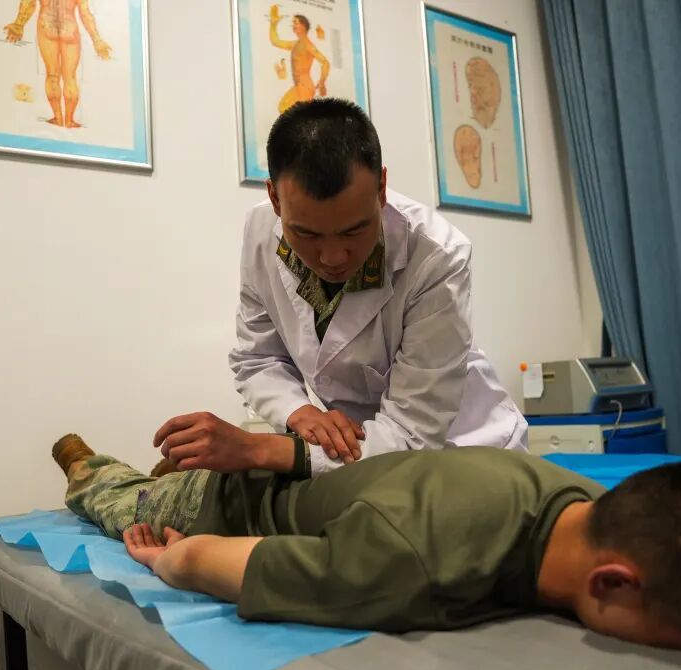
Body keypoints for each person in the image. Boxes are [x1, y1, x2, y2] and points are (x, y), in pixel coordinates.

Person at [52, 428, 681, 661]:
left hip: (348, 481)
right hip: (233, 499)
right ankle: (91, 463)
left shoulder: (594, 501)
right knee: (118, 500)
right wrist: (164, 556)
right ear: (614, 584)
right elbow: (204, 559)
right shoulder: (414, 564)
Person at [205, 98, 527, 477]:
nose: (332, 257)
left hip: (463, 448)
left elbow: (413, 432)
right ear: (275, 198)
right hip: (358, 460)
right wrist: (299, 411)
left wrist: (267, 450)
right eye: (307, 234)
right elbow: (258, 359)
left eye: (354, 231)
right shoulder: (260, 232)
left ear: (382, 188)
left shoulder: (436, 256)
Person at [3, 0, 112, 129]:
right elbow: (85, 13)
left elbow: (29, 3)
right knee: (70, 77)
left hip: (46, 27)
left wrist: (19, 24)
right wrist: (97, 40)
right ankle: (69, 121)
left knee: (52, 75)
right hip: (70, 30)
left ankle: (58, 118)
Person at [269, 5, 330, 113]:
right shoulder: (295, 44)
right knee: (283, 107)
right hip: (298, 87)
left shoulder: (309, 46)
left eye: (295, 23)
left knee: (296, 115)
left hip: (306, 87)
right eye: (292, 23)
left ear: (303, 26)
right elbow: (275, 41)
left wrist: (322, 81)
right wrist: (273, 24)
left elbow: (325, 62)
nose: (293, 25)